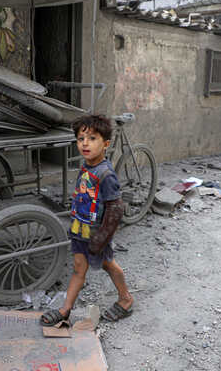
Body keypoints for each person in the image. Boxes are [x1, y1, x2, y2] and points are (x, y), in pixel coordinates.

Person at [40, 114, 134, 325]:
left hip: (97, 234)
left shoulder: (106, 174)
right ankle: (65, 310)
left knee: (109, 265)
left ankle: (126, 299)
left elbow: (115, 209)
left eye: (92, 138)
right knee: (78, 268)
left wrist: (101, 238)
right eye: (81, 139)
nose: (85, 143)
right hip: (80, 229)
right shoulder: (86, 166)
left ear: (106, 144)